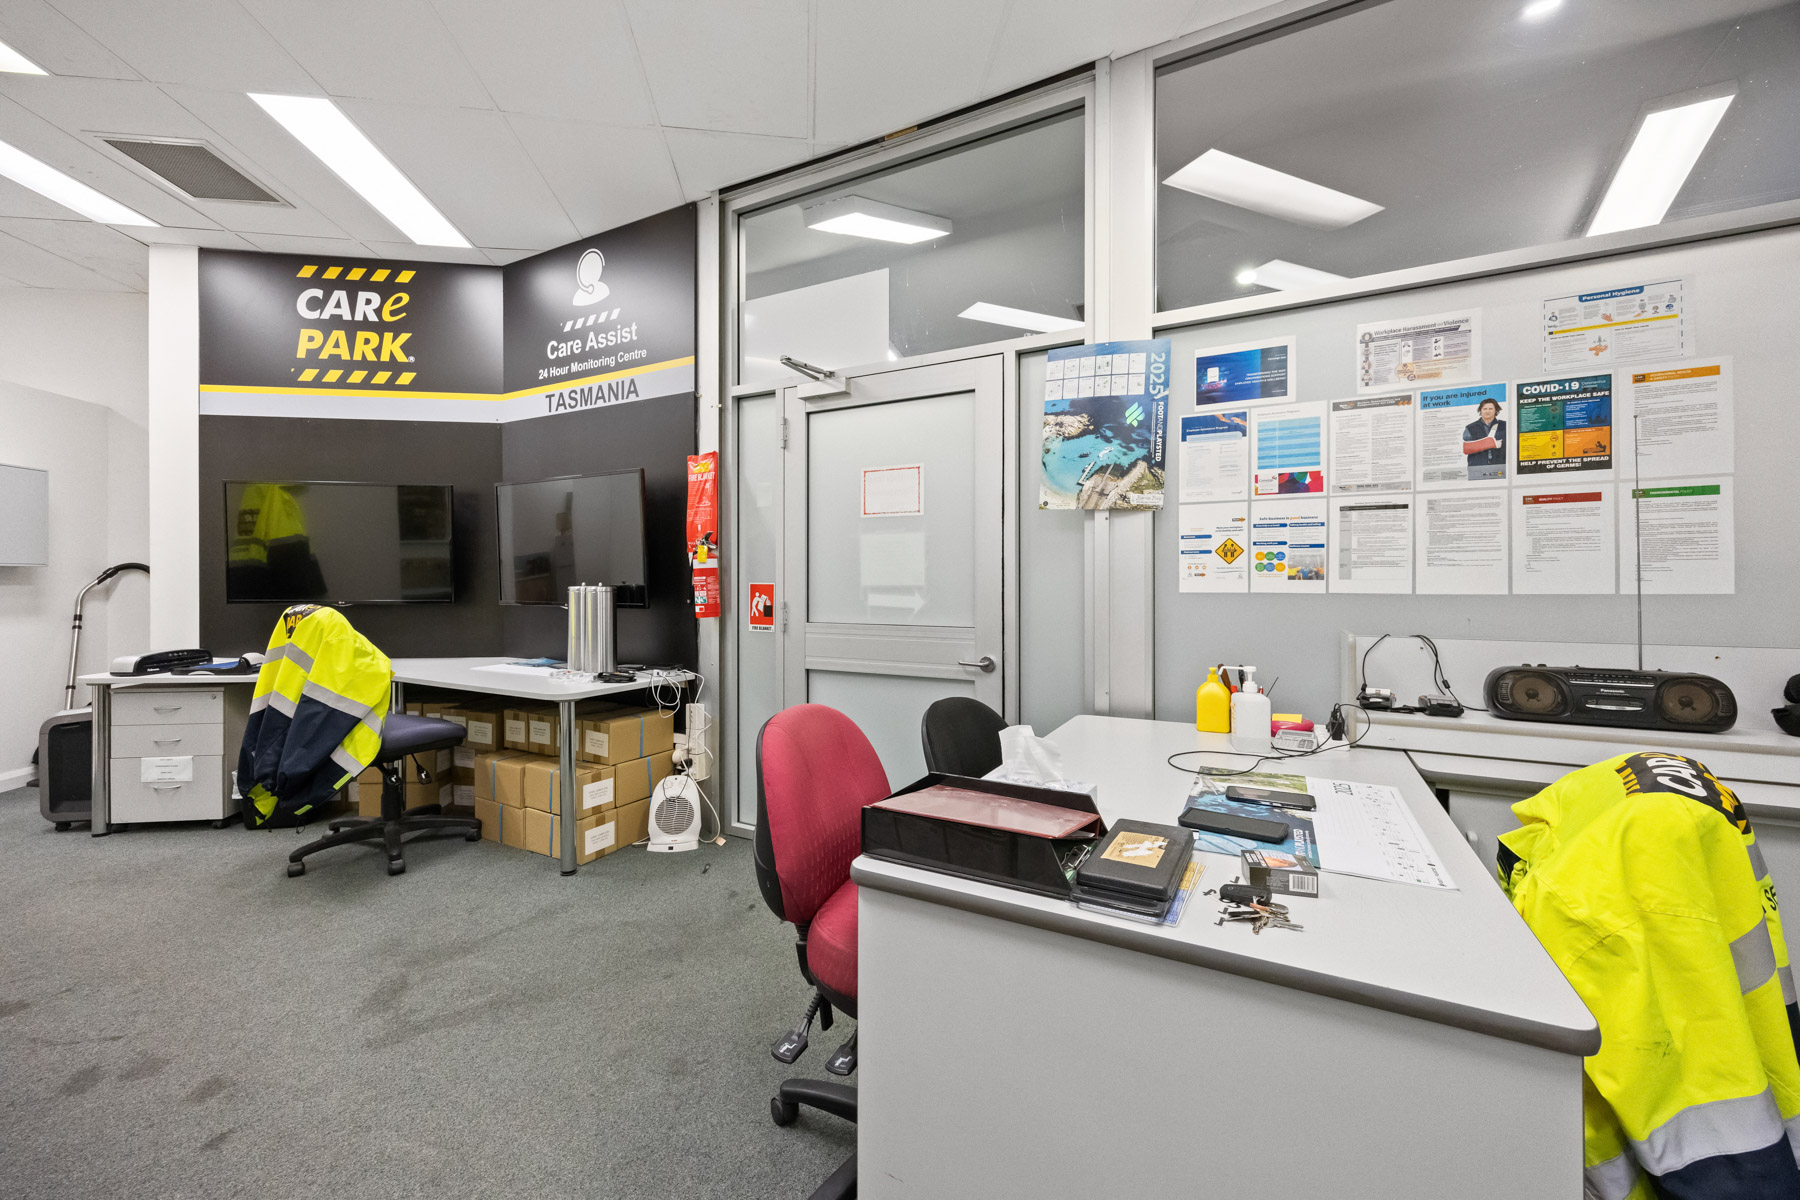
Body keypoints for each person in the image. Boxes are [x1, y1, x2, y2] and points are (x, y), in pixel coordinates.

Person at [1461, 397, 1505, 480]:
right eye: (1485, 409)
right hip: (1477, 469)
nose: (1487, 411)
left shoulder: (1505, 425)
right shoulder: (1470, 427)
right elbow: (1467, 449)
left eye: (1490, 409)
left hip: (1499, 468)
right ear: (1480, 410)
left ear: (1496, 410)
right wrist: (1492, 444)